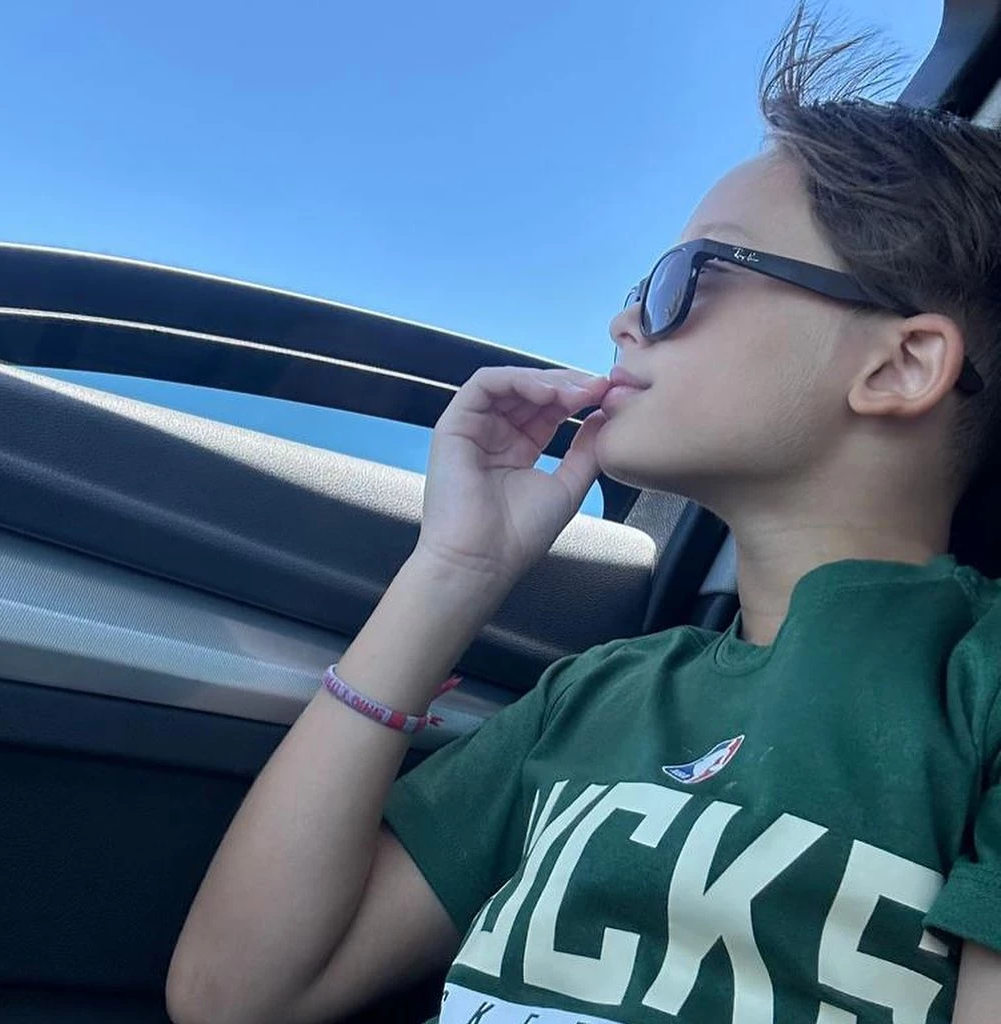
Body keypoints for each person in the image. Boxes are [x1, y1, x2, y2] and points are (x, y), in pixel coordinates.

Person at [165, 7, 1001, 1023]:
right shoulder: (596, 695)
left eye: (689, 277)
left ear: (899, 365)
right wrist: (452, 573)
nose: (623, 320)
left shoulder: (978, 683)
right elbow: (234, 995)